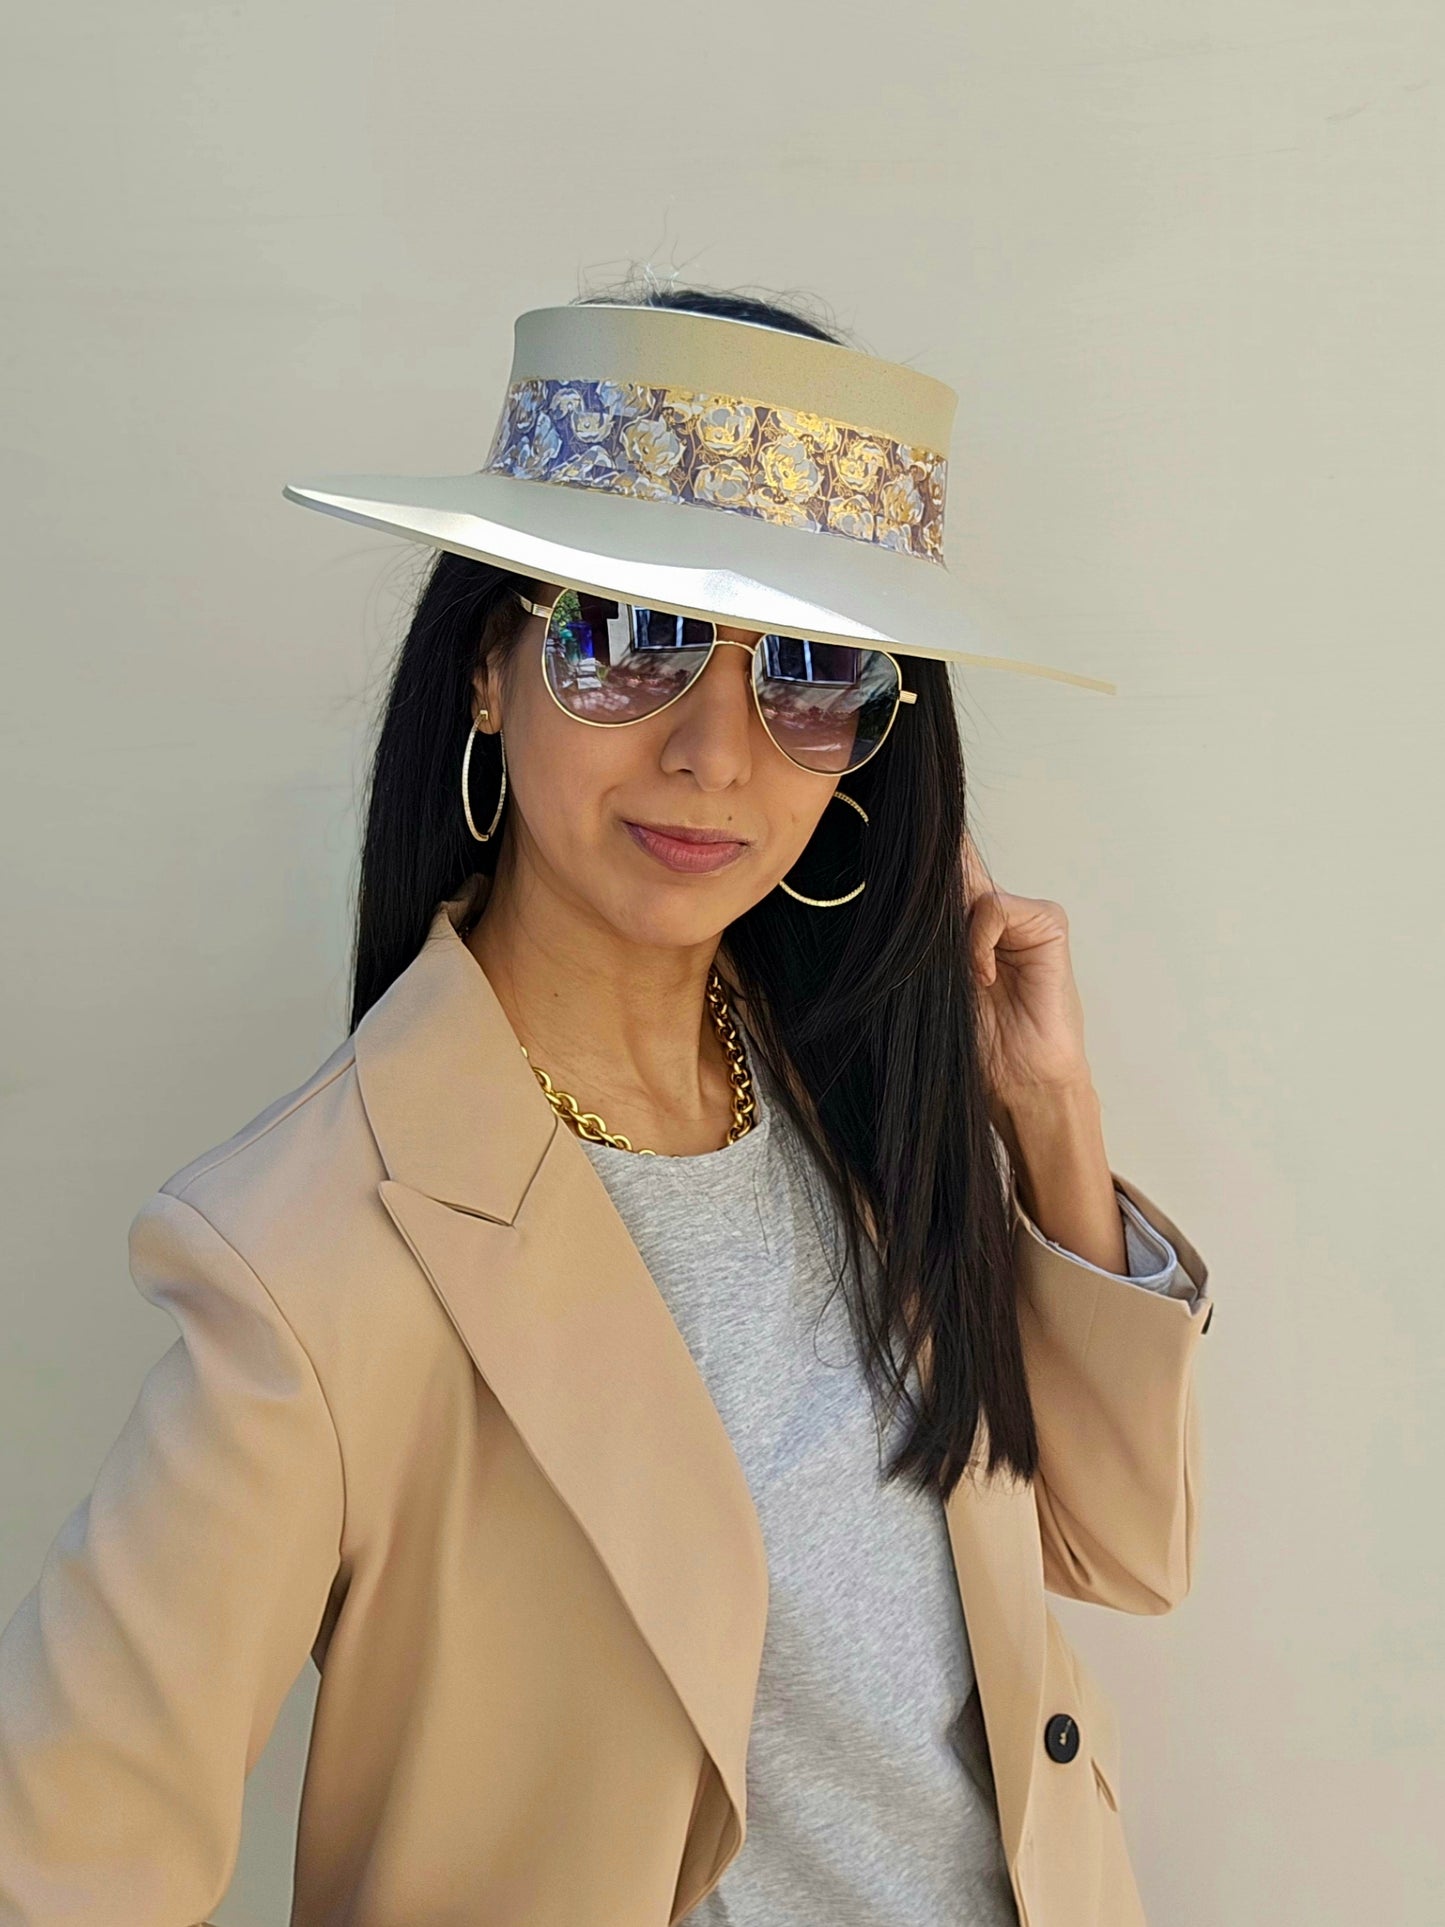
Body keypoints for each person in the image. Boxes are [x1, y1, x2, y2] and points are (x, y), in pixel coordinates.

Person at [0, 280, 1213, 1926]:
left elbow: (1115, 1547)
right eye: (623, 636)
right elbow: (71, 1852)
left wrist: (1044, 1126)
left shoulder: (843, 1093)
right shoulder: (310, 1251)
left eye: (805, 668)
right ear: (486, 669)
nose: (717, 752)